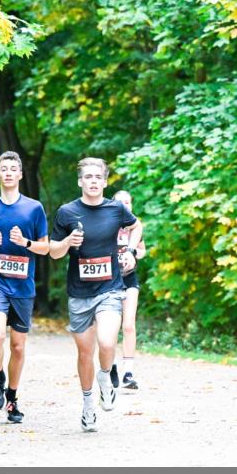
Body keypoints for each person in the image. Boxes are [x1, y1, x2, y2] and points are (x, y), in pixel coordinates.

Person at [49, 158, 143, 433]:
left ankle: (105, 377)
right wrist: (67, 243)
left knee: (106, 341)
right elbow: (53, 251)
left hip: (110, 289)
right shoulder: (66, 212)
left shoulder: (116, 209)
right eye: (87, 177)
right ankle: (88, 404)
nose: (92, 181)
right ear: (80, 181)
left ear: (104, 181)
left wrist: (131, 252)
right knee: (84, 352)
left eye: (97, 177)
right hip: (79, 293)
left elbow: (137, 226)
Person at [0, 151, 49, 424]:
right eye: (4, 168)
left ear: (20, 175)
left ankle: (12, 399)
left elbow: (45, 246)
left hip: (23, 285)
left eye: (13, 168)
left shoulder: (34, 208)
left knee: (17, 346)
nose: (9, 173)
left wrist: (25, 242)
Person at [113, 190, 146, 390]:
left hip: (130, 278)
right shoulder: (107, 223)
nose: (125, 205)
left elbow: (143, 249)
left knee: (129, 325)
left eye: (128, 202)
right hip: (109, 281)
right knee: (111, 327)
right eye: (120, 202)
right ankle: (112, 367)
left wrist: (133, 254)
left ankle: (128, 372)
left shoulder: (135, 225)